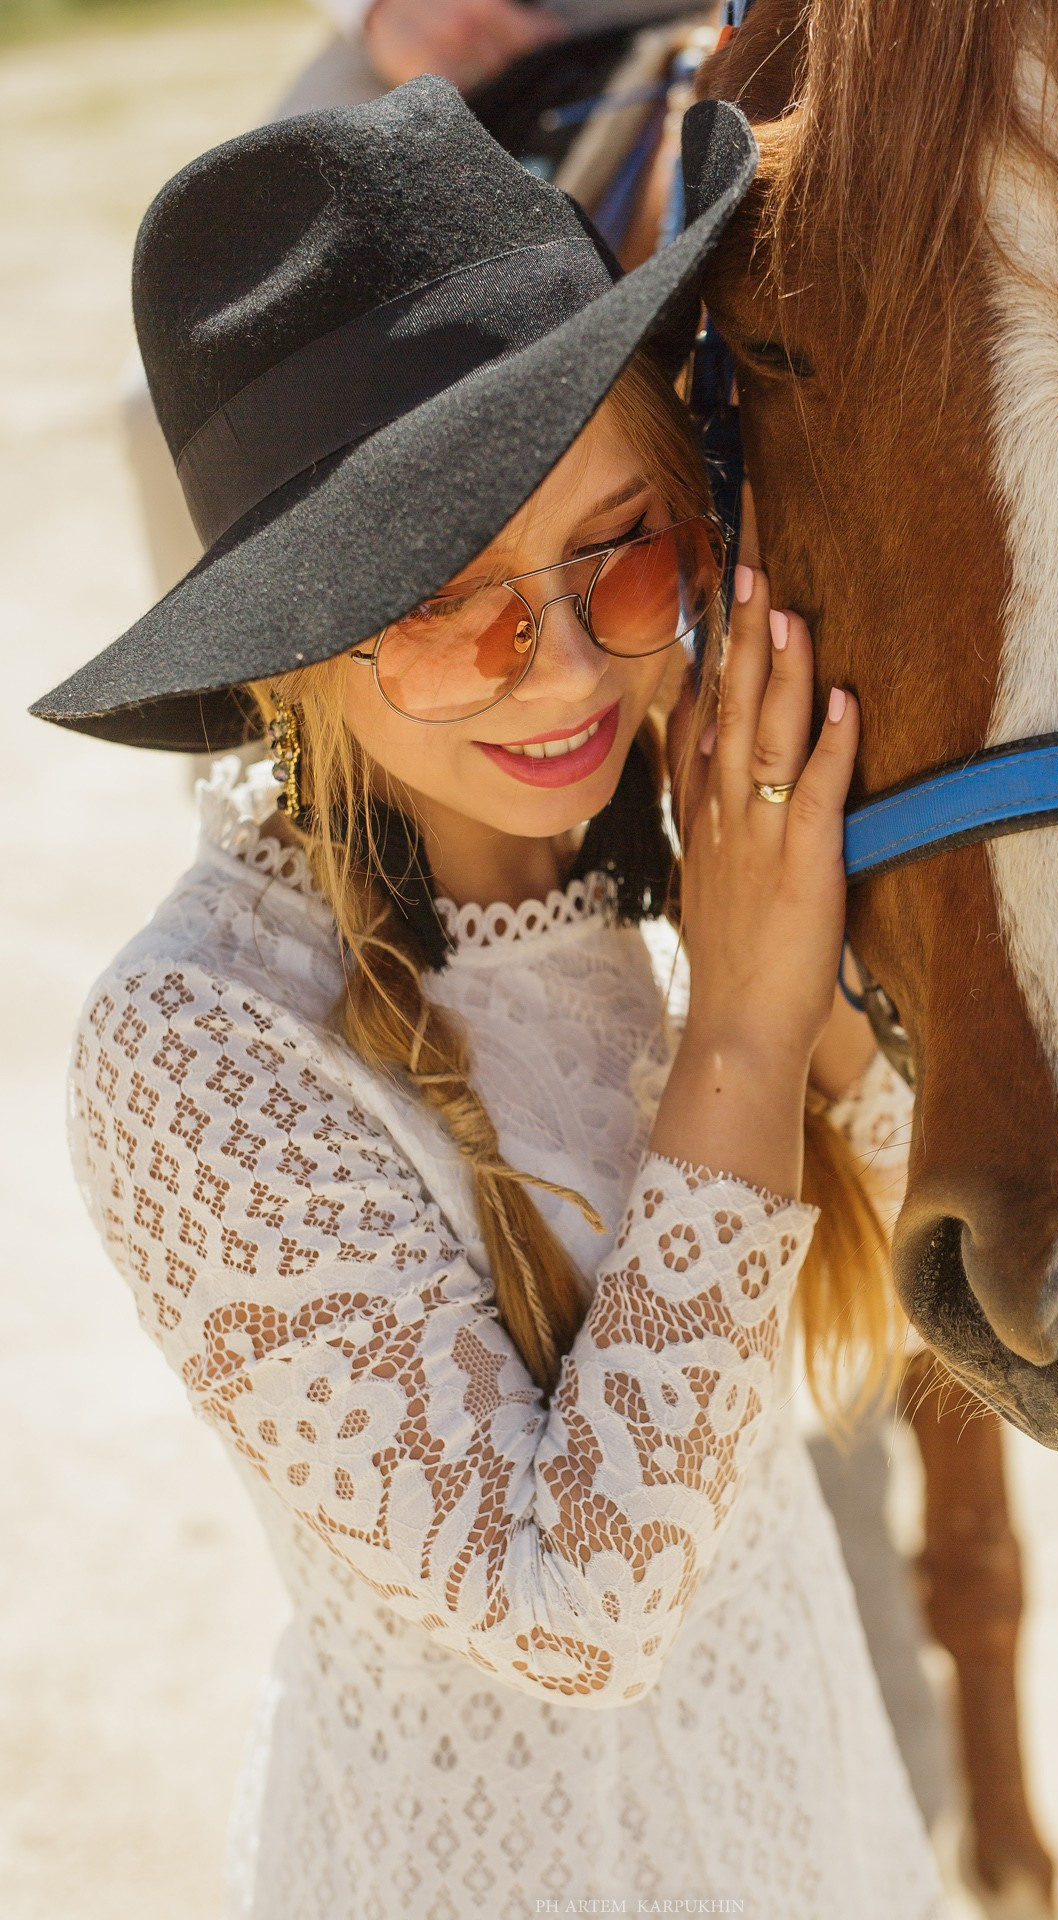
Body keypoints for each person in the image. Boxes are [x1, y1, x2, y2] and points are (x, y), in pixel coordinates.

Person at [33, 78, 943, 1918]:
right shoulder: (197, 1052)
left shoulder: (671, 859)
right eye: (461, 613)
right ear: (294, 648)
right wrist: (749, 1029)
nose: (572, 672)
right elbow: (571, 1611)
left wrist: (798, 946)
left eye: (625, 550)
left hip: (814, 1824)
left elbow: (927, 1224)